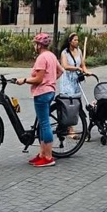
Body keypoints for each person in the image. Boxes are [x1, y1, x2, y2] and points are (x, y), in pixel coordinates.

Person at [15, 33, 63, 168]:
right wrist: (51, 81)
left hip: (42, 93)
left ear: (39, 45)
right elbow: (61, 71)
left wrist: (24, 80)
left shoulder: (41, 58)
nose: (34, 46)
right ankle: (42, 154)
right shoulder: (51, 55)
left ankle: (48, 157)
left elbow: (38, 79)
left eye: (35, 44)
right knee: (42, 124)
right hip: (50, 91)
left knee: (45, 124)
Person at [59, 32, 88, 97]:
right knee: (70, 97)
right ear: (70, 41)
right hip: (67, 79)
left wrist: (87, 72)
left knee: (77, 97)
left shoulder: (79, 51)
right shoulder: (64, 53)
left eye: (77, 40)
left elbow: (82, 65)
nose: (77, 42)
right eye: (75, 40)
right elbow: (65, 66)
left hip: (76, 79)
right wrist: (77, 68)